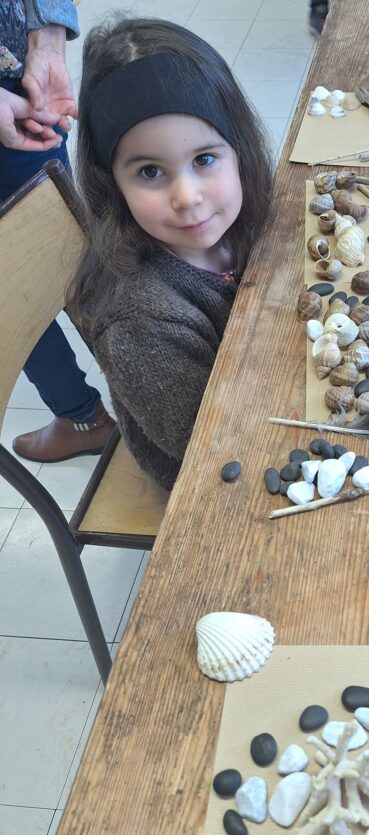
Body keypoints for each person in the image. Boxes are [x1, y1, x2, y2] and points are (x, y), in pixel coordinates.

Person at [68, 17, 273, 491]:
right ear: (111, 184)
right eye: (150, 172)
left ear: (238, 151)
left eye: (204, 159)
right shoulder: (139, 322)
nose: (187, 197)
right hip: (213, 476)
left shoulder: (248, 223)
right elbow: (215, 452)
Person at [1, 0, 116, 462]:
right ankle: (149, 395)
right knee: (60, 258)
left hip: (21, 77)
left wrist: (46, 42)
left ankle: (88, 416)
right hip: (18, 69)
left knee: (25, 279)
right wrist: (44, 42)